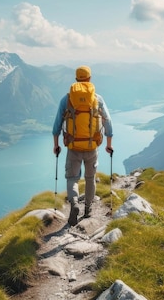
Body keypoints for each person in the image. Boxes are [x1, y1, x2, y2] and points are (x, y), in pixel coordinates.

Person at [52, 65, 114, 226]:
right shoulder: (97, 99)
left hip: (73, 147)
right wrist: (108, 144)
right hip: (92, 147)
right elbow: (108, 122)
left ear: (76, 79)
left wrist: (56, 145)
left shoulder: (67, 99)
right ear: (89, 79)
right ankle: (87, 209)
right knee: (90, 178)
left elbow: (57, 125)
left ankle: (74, 204)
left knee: (72, 178)